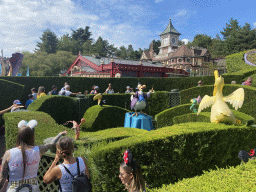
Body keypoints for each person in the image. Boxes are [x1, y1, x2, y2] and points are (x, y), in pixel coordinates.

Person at [0, 120, 67, 191]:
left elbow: (2, 178)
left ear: (18, 137)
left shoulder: (8, 153)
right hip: (33, 188)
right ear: (32, 137)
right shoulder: (38, 150)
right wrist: (60, 134)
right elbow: (51, 144)